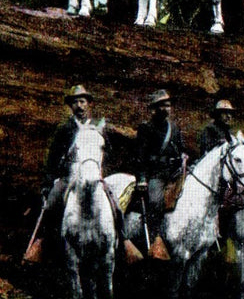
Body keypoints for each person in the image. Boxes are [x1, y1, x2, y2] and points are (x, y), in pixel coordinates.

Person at [31, 85, 119, 260]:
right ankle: (44, 245)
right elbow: (53, 159)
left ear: (89, 104)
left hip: (93, 175)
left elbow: (108, 152)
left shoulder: (97, 127)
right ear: (70, 106)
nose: (79, 105)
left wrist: (101, 171)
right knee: (51, 205)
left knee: (116, 205)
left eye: (82, 101)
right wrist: (48, 184)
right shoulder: (65, 129)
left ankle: (122, 241)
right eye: (75, 102)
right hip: (69, 177)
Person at [134, 90, 189, 240]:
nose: (166, 108)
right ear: (155, 108)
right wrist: (142, 178)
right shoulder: (146, 128)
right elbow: (139, 156)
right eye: (162, 105)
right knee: (155, 200)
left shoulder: (175, 128)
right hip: (156, 174)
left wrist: (184, 156)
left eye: (168, 105)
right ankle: (154, 238)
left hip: (175, 172)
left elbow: (182, 147)